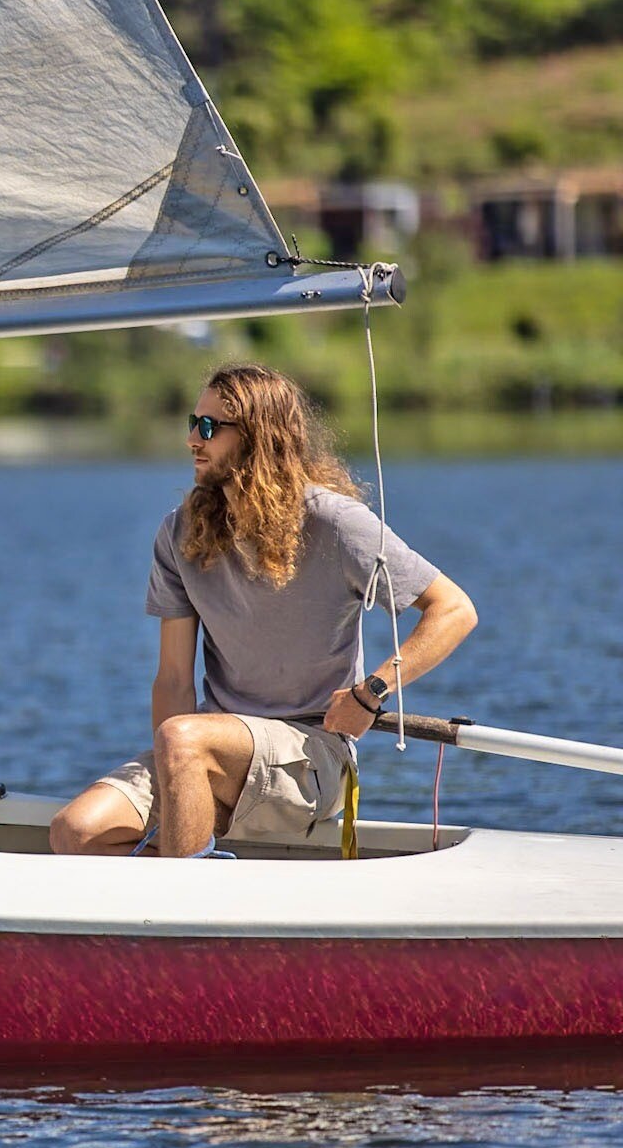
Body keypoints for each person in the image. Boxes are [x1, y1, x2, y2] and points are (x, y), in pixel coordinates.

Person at [48, 363, 478, 859]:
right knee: (74, 832)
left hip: (312, 757)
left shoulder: (336, 524)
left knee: (184, 738)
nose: (192, 438)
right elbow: (172, 682)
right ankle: (189, 884)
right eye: (192, 422)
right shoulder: (179, 533)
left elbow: (454, 610)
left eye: (209, 427)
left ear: (258, 437)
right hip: (207, 752)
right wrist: (177, 782)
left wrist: (371, 693)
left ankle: (189, 917)